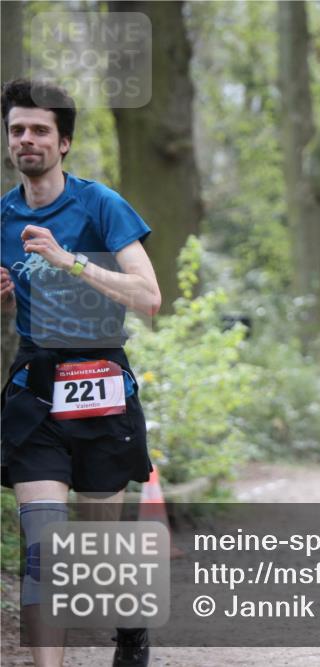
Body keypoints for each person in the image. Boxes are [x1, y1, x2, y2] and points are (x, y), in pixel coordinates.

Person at [1, 79, 161, 667]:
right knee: (43, 547)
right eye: (17, 129)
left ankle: (130, 627)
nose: (27, 140)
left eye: (40, 130)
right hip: (35, 388)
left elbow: (149, 296)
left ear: (63, 142)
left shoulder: (101, 206)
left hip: (100, 379)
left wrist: (71, 261)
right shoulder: (2, 216)